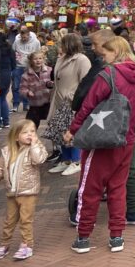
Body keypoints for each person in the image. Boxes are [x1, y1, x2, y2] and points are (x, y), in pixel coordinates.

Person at [65, 36, 135, 255]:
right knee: (117, 190)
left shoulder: (107, 75)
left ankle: (83, 237)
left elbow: (87, 106)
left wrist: (72, 130)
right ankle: (116, 236)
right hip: (126, 139)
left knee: (89, 189)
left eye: (106, 54)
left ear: (116, 52)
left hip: (102, 140)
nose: (103, 58)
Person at [0, 119, 47, 261]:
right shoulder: (6, 152)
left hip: (28, 192)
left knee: (25, 220)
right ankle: (5, 245)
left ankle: (27, 246)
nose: (30, 135)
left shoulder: (35, 149)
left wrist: (35, 143)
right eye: (25, 132)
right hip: (12, 193)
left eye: (33, 131)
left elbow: (39, 159)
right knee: (9, 221)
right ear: (16, 136)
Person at [46, 34, 90, 177]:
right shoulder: (61, 58)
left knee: (71, 131)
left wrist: (72, 96)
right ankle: (65, 160)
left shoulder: (82, 60)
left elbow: (85, 82)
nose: (60, 47)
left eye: (62, 44)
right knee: (60, 131)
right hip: (58, 100)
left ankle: (76, 161)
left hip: (71, 102)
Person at [19, 52, 52, 131]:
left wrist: (51, 84)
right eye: (35, 59)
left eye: (40, 58)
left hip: (48, 103)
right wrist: (27, 92)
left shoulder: (49, 71)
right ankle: (30, 140)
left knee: (54, 125)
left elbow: (55, 82)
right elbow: (22, 89)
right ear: (31, 61)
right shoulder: (26, 75)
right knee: (29, 127)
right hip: (35, 104)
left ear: (43, 59)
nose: (38, 61)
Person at [11, 27, 40, 113]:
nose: (23, 39)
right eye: (22, 37)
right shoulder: (17, 41)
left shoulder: (36, 42)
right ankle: (15, 104)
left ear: (29, 35)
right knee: (16, 86)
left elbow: (38, 53)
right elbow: (13, 51)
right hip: (18, 66)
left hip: (29, 66)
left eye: (25, 37)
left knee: (28, 86)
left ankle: (26, 104)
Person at [0, 31, 14, 130]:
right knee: (3, 98)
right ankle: (6, 122)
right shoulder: (10, 48)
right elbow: (14, 63)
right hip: (7, 74)